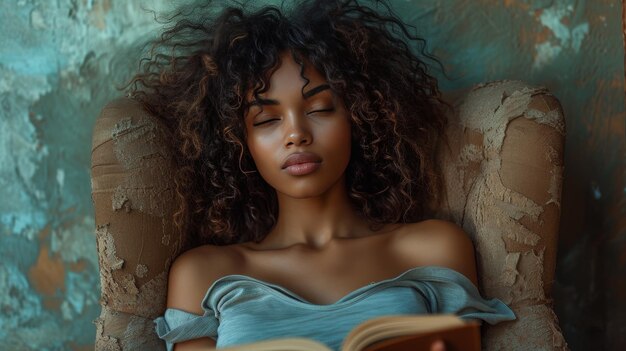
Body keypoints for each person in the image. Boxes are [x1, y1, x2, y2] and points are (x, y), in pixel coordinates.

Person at [124, 0, 516, 350]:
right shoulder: (204, 275)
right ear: (239, 141)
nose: (296, 134)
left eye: (321, 108)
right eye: (267, 119)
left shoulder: (434, 249)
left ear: (359, 117)